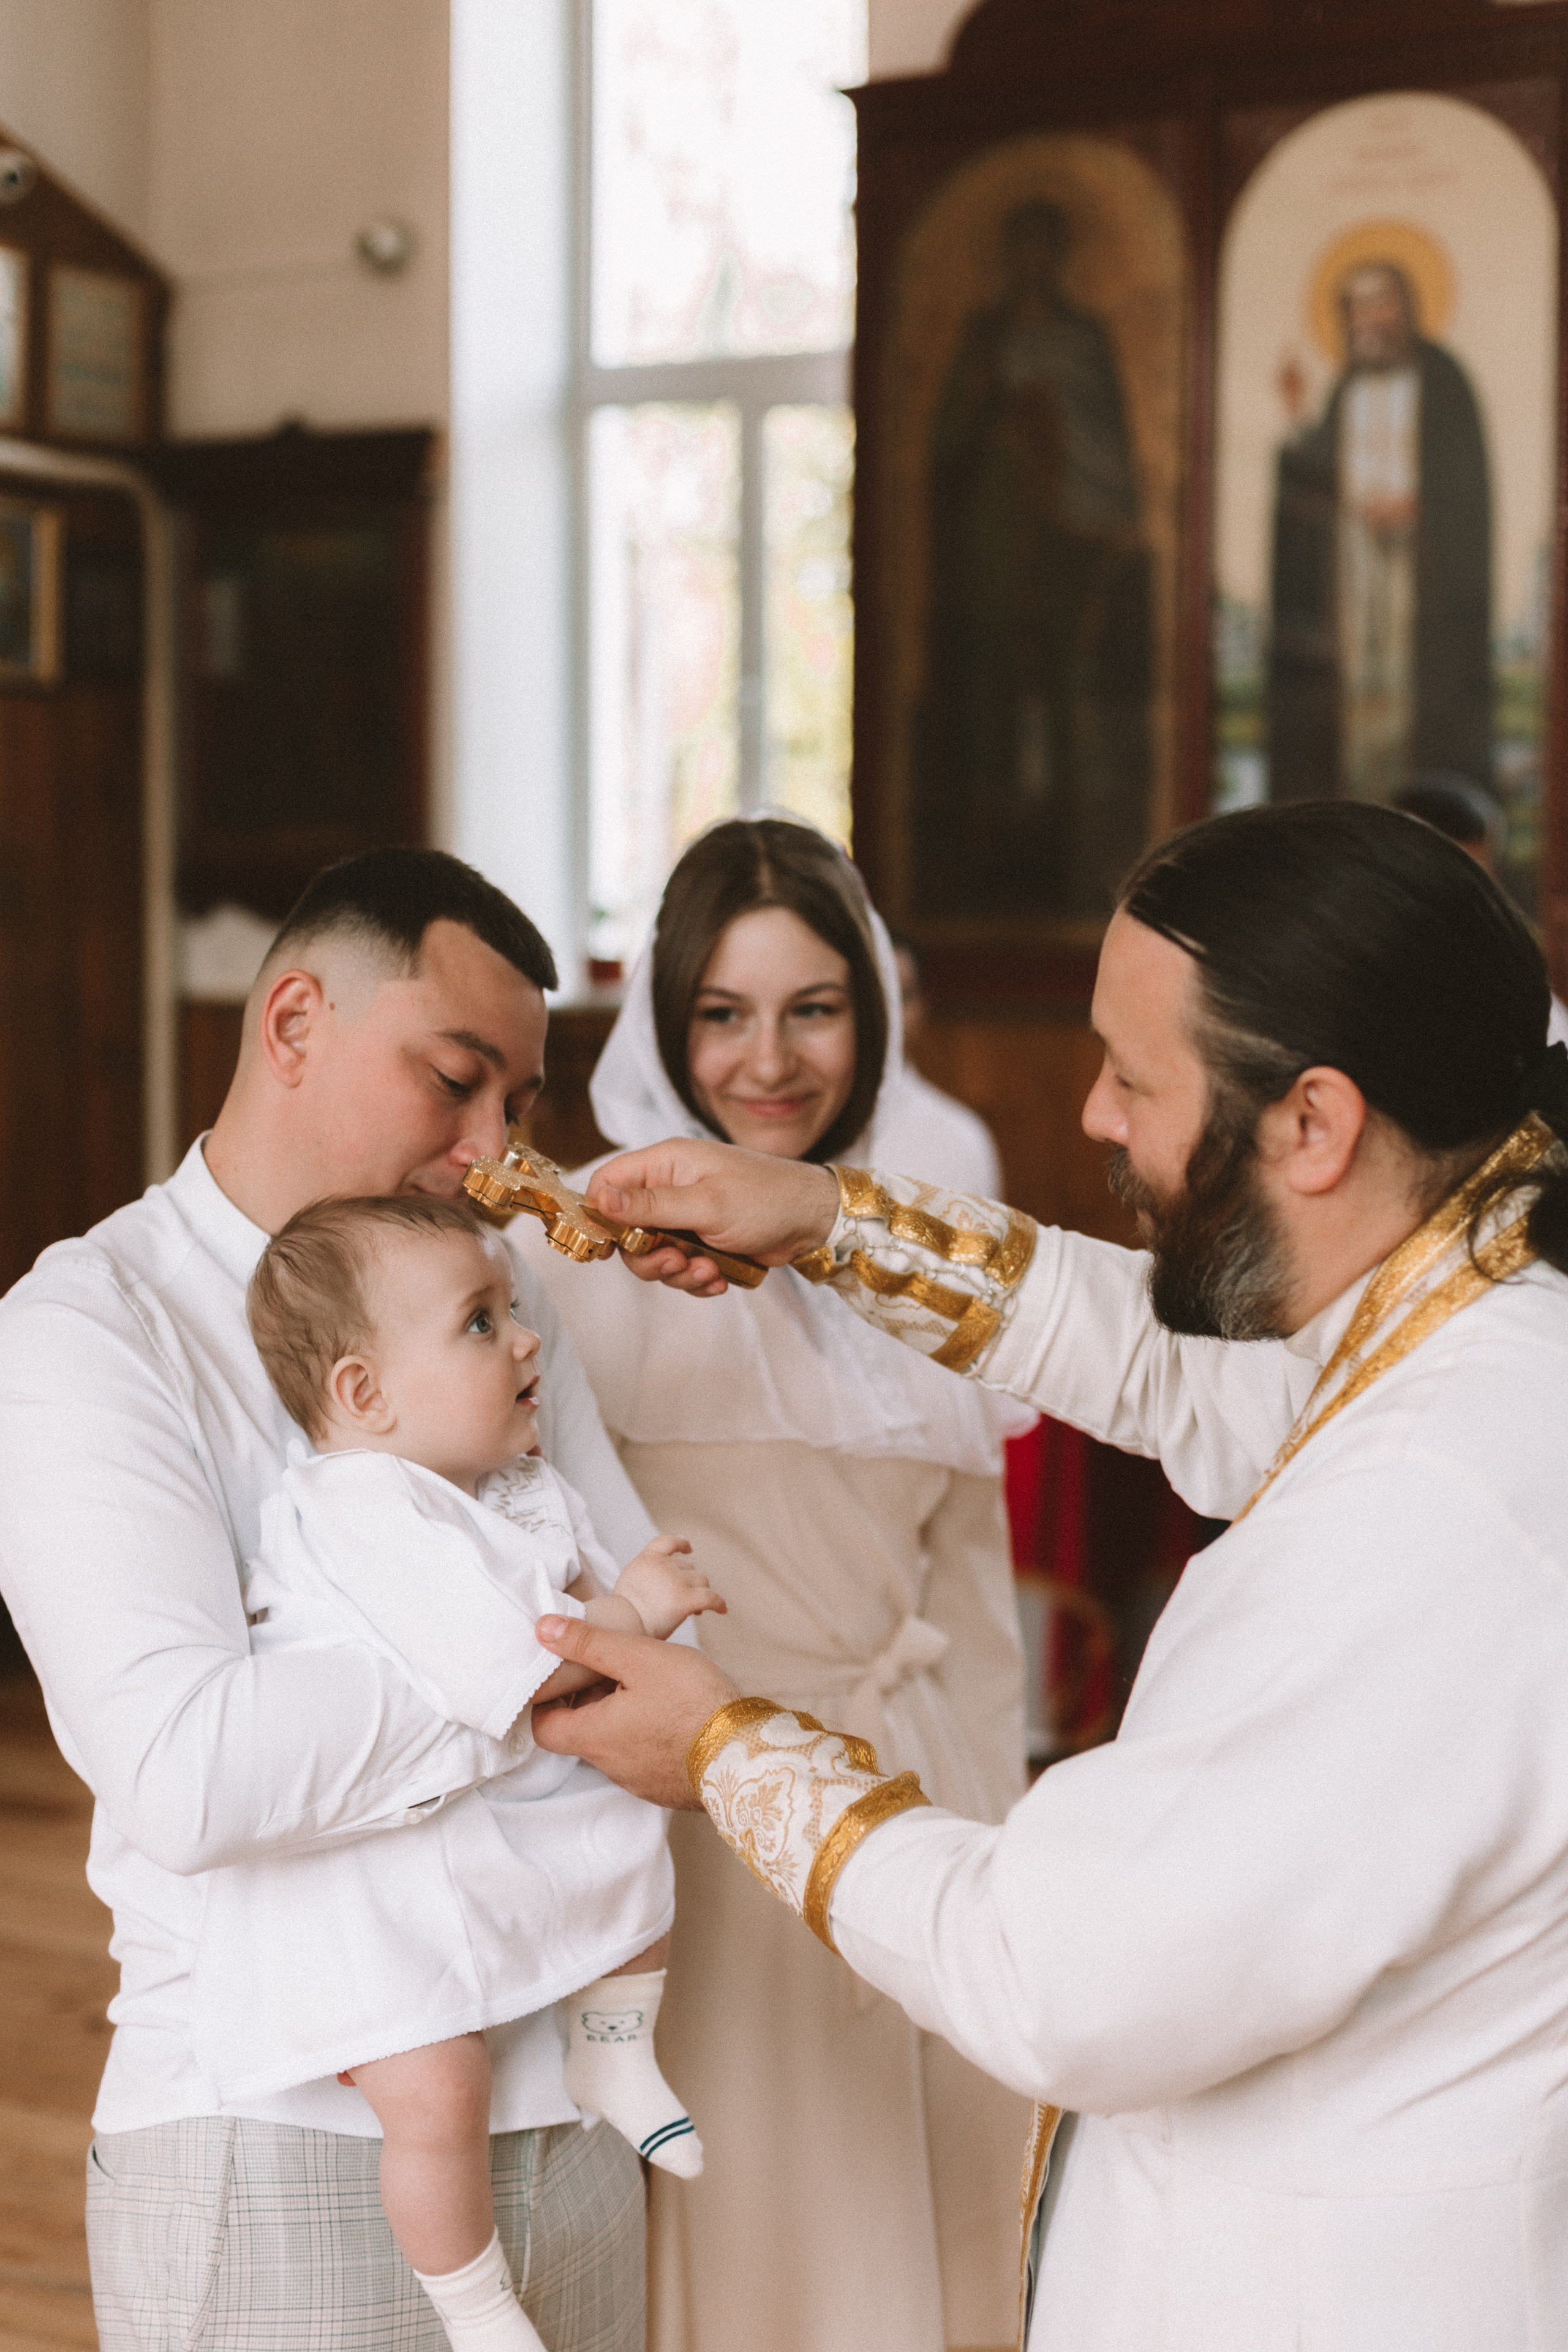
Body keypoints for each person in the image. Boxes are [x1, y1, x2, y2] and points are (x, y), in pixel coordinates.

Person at [530, 801, 1568, 2350]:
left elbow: (1053, 1973)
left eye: (1132, 1079)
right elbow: (1167, 1367)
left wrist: (722, 1750)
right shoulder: (1465, 1323)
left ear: (1311, 1124)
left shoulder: (1424, 1508)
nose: (1090, 1114)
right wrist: (828, 1220)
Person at [0, 848, 658, 2352]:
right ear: (293, 1021)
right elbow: (191, 1774)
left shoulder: (500, 1290)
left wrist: (547, 1654)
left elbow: (639, 1656)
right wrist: (528, 1661)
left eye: (518, 1104)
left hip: (567, 2106)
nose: (490, 1151)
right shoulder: (90, 1330)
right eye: (455, 1080)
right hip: (273, 2128)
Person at [516, 816, 1032, 2352]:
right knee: (764, 2230)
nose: (769, 1060)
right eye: (723, 1013)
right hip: (697, 1824)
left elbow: (972, 1596)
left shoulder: (928, 1246)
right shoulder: (578, 1256)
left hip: (919, 1797)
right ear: (664, 1021)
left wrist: (988, 1843)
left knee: (940, 2203)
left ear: (872, 1014)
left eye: (813, 1008)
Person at [192, 1193, 723, 2352]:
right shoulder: (364, 1506)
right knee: (435, 2093)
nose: (526, 1340)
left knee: (628, 1833)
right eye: (481, 1323)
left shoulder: (503, 1482)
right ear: (364, 1394)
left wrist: (618, 1618)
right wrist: (635, 1612)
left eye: (512, 1310)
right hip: (359, 1881)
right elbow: (518, 1662)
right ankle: (474, 2306)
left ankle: (615, 2050)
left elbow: (573, 1607)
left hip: (468, 1818)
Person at [917, 197, 1153, 922]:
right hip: (990, 537)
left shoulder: (1083, 335)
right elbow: (944, 442)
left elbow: (1106, 438)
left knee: (1064, 685)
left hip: (1066, 537)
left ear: (1057, 254)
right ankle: (987, 848)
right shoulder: (983, 335)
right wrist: (992, 407)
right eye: (1016, 245)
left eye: (1041, 246)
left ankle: (1069, 853)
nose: (1029, 260)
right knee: (990, 683)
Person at [1270, 259, 1491, 802]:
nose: (1368, 318)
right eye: (1356, 306)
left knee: (1411, 693)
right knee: (1354, 693)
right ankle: (1358, 802)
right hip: (1354, 568)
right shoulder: (1345, 387)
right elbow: (1320, 478)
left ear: (1407, 307)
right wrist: (1296, 416)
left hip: (1420, 575)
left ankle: (1414, 809)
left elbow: (1464, 484)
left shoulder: (1443, 380)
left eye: (1380, 302)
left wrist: (1418, 506)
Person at [884, 932, 1003, 1195]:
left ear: (923, 1005)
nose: (885, 1013)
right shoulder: (799, 1121)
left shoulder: (960, 1138)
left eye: (901, 996)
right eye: (872, 996)